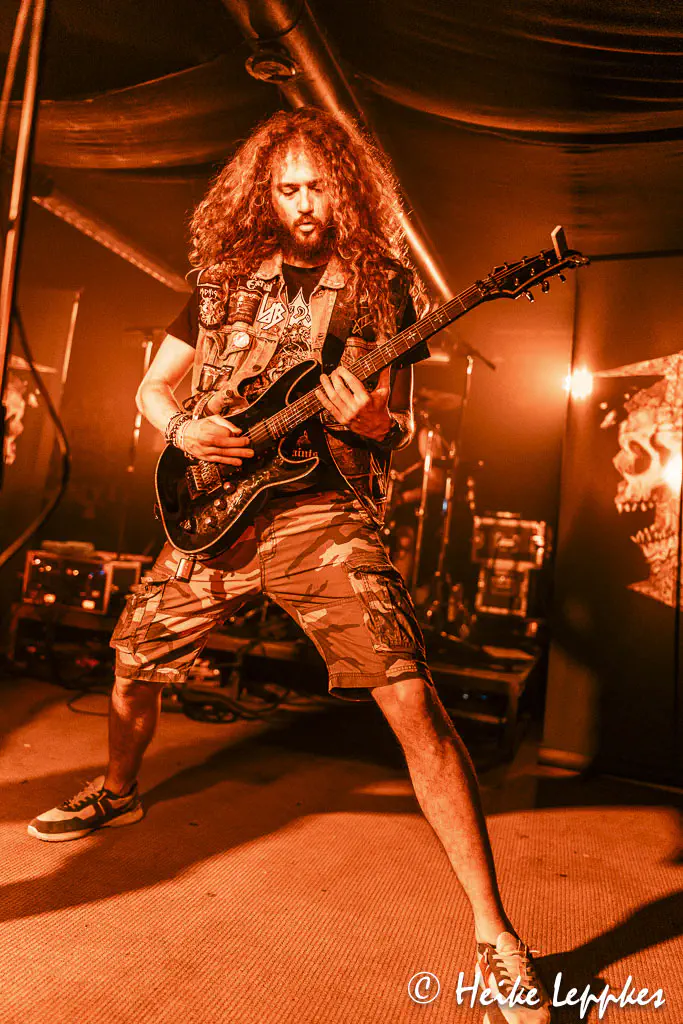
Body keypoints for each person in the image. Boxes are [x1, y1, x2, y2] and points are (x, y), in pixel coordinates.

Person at [29, 108, 551, 1023]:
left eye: (318, 188)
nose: (304, 204)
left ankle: (494, 932)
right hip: (215, 517)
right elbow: (154, 386)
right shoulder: (223, 279)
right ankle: (118, 791)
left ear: (344, 190)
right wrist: (180, 428)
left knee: (412, 701)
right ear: (263, 194)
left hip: (320, 517)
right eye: (288, 189)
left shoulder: (378, 289)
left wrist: (373, 422)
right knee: (132, 658)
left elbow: (396, 425)